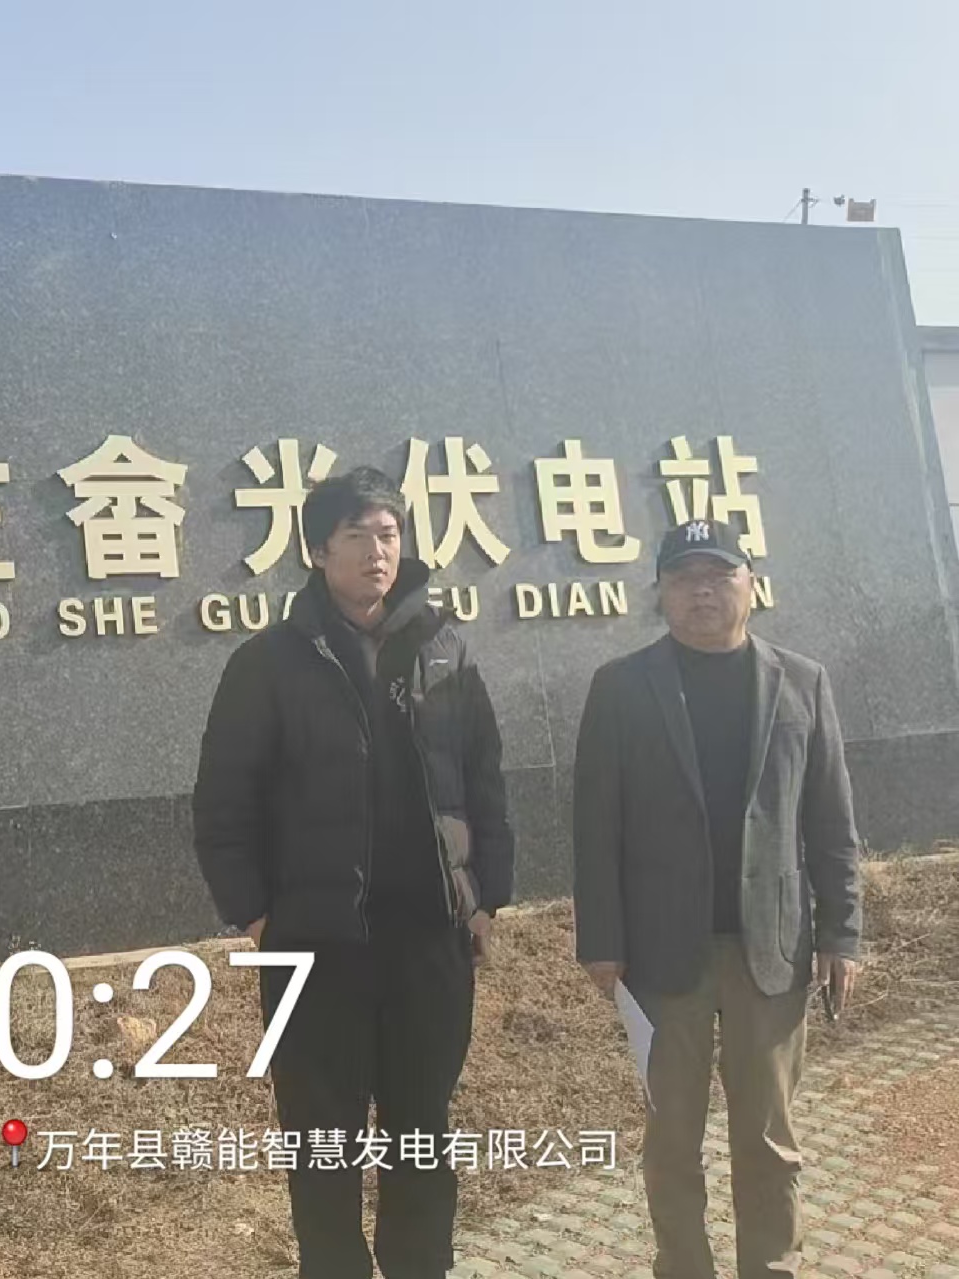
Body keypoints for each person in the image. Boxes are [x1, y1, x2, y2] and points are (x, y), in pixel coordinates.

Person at [192, 465, 514, 1279]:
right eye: (357, 535)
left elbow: (484, 780)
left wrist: (485, 900)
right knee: (320, 1138)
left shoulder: (444, 648)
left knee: (422, 1130)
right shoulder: (269, 663)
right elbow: (223, 802)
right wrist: (258, 916)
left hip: (427, 941)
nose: (377, 551)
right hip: (315, 947)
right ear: (316, 550)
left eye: (389, 534)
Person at [572, 517, 863, 1279]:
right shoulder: (622, 686)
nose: (701, 591)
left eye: (718, 574)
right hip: (661, 951)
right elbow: (595, 824)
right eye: (683, 578)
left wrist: (843, 933)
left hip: (773, 948)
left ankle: (771, 1267)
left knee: (769, 1137)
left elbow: (831, 821)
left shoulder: (801, 681)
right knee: (672, 1138)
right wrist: (601, 939)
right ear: (661, 592)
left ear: (749, 584)